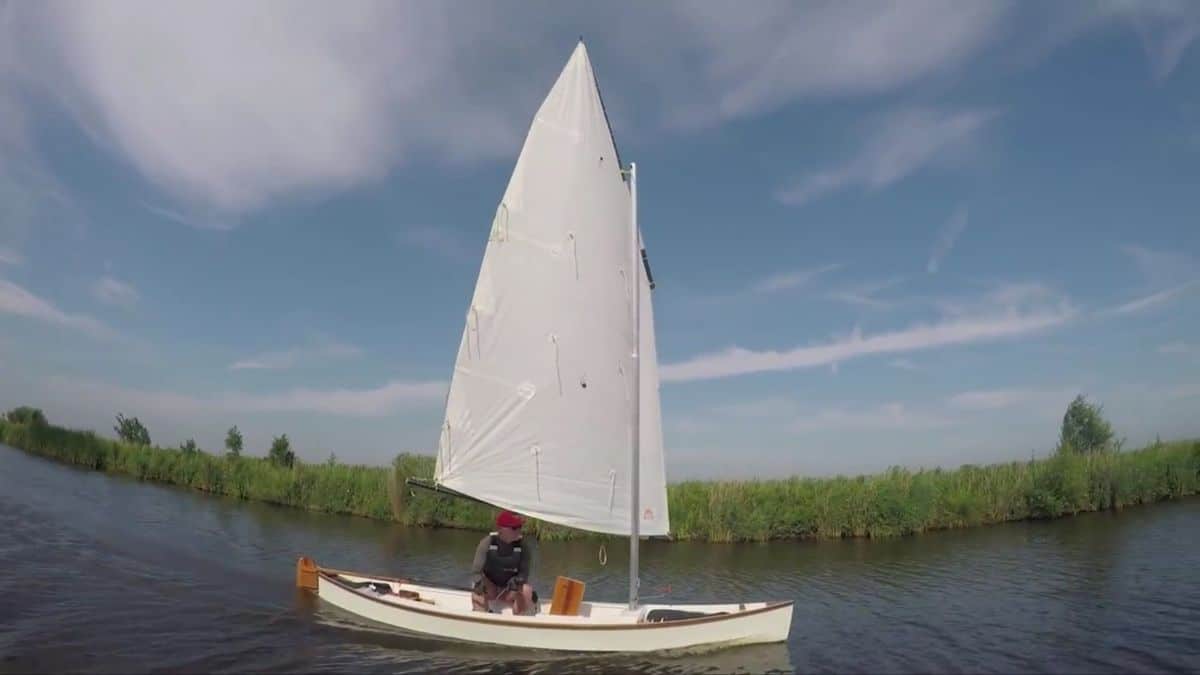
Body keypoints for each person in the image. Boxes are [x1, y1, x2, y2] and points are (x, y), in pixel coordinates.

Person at [471, 510, 536, 614]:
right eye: (514, 528)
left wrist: (517, 581)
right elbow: (476, 571)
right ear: (501, 528)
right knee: (477, 591)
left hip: (509, 590)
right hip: (490, 587)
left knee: (527, 590)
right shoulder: (487, 542)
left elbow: (524, 573)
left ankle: (518, 620)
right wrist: (479, 583)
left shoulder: (523, 547)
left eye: (520, 527)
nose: (519, 530)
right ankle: (481, 617)